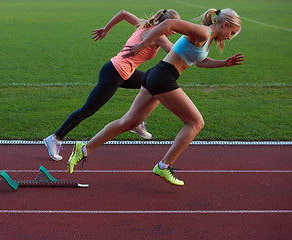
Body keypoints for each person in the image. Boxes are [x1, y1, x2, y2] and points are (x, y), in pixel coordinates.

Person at [67, 8, 245, 186]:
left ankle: (84, 148)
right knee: (196, 123)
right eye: (232, 33)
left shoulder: (205, 37)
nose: (230, 37)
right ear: (225, 24)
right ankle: (164, 166)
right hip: (163, 77)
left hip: (157, 75)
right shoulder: (204, 31)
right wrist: (142, 45)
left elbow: (200, 62)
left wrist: (224, 63)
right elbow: (169, 24)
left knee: (129, 122)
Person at [44, 9, 181, 161]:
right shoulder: (159, 36)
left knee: (151, 84)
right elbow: (176, 52)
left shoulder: (144, 25)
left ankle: (135, 121)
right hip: (114, 73)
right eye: (173, 28)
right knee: (89, 109)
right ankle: (55, 138)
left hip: (124, 72)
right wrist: (196, 42)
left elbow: (123, 13)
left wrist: (106, 29)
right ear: (166, 24)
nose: (174, 32)